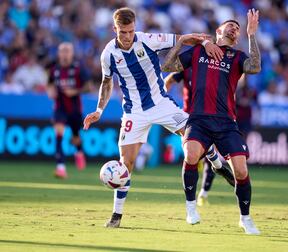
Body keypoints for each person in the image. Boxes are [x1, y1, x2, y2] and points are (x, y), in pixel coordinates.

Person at [82, 7, 226, 228]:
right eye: (123, 32)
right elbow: (106, 82)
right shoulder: (108, 54)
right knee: (125, 165)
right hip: (133, 112)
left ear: (135, 28)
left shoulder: (148, 40)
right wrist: (99, 110)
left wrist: (205, 43)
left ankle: (216, 161)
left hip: (161, 103)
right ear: (114, 29)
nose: (127, 36)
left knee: (196, 132)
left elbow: (183, 39)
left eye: (130, 31)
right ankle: (116, 217)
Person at [161, 9, 261, 234]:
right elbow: (168, 67)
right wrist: (183, 41)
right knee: (191, 155)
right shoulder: (197, 52)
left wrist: (252, 34)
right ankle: (191, 209)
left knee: (241, 172)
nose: (235, 28)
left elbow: (255, 67)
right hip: (198, 119)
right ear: (218, 31)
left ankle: (245, 219)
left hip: (226, 122)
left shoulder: (237, 57)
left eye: (238, 27)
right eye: (230, 25)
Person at [164, 71, 235, 207]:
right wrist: (163, 97)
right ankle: (195, 193)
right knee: (192, 158)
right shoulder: (188, 67)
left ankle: (203, 193)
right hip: (189, 119)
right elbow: (170, 79)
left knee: (209, 155)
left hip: (209, 117)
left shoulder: (213, 70)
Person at [47, 42, 91, 179]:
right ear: (59, 53)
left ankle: (79, 151)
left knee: (75, 136)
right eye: (62, 51)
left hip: (75, 108)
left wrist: (75, 91)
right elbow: (49, 84)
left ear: (72, 53)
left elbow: (89, 87)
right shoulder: (54, 69)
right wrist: (50, 91)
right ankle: (60, 167)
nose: (65, 54)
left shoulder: (78, 68)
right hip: (59, 107)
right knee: (58, 134)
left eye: (67, 51)